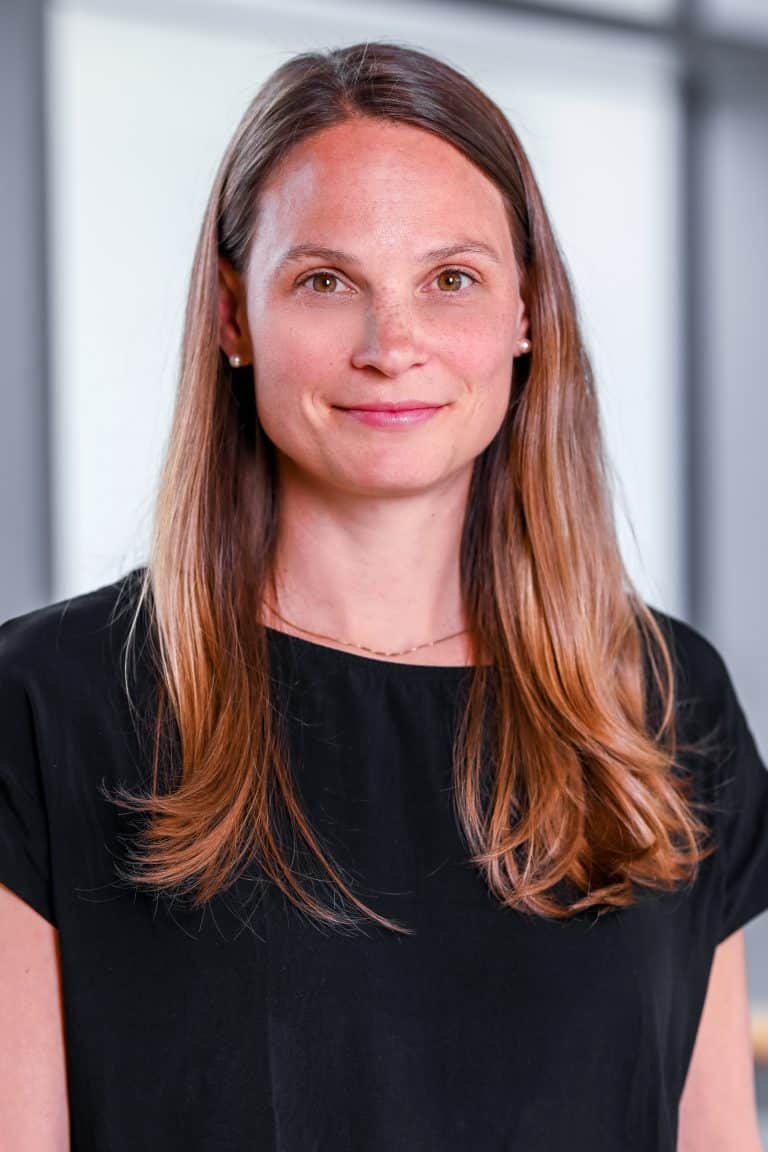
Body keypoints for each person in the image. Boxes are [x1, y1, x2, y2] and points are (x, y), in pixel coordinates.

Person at [1, 40, 767, 1152]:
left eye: (450, 279)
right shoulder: (43, 708)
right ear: (231, 317)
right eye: (325, 281)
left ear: (525, 313)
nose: (391, 345)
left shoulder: (659, 698)